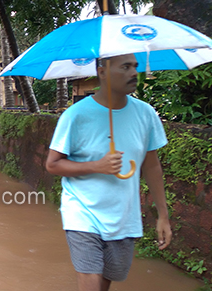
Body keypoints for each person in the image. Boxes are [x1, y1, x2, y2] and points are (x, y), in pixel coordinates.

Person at [45, 54, 172, 291]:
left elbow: (152, 166)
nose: (133, 73)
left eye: (135, 66)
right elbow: (52, 164)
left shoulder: (146, 114)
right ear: (102, 72)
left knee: (105, 283)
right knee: (91, 282)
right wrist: (96, 166)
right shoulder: (76, 115)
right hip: (82, 212)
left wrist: (162, 215)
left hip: (123, 216)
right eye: (125, 67)